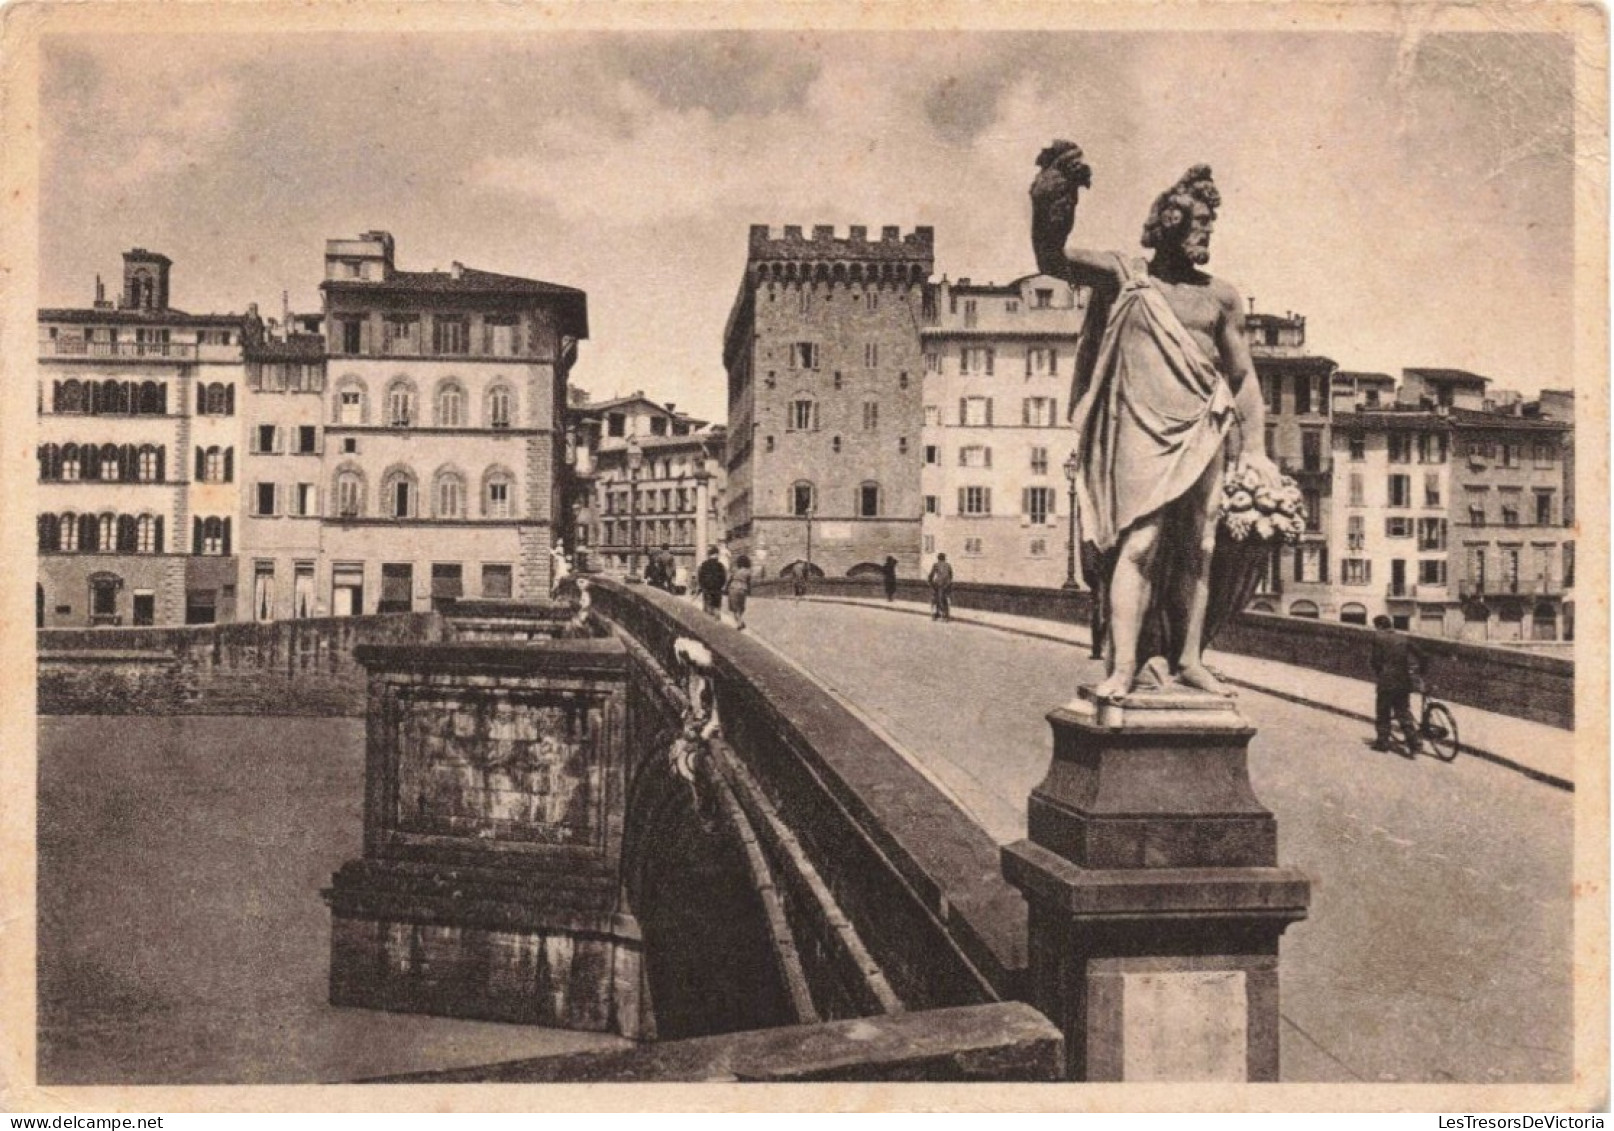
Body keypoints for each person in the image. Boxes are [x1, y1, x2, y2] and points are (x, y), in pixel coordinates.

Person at [1031, 142, 1281, 700]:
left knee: (1201, 546)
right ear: (1168, 224)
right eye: (1198, 227)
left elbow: (1241, 378)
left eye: (1210, 230)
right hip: (1139, 434)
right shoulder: (1124, 276)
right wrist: (1053, 193)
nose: (1206, 239)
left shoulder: (1221, 297)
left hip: (1201, 429)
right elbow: (1053, 258)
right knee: (1139, 544)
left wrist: (1256, 448)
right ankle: (1122, 669)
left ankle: (1190, 659)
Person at [1369, 615, 1426, 756]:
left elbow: (1375, 661)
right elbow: (1423, 655)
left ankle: (1382, 743)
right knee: (1403, 713)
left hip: (1386, 682)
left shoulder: (1378, 638)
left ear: (1379, 627)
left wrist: (1380, 673)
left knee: (1383, 713)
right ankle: (1414, 744)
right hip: (1403, 682)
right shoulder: (1403, 638)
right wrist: (1421, 672)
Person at [696, 545, 728, 619]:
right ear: (717, 554)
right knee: (716, 609)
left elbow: (700, 577)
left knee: (707, 609)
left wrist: (702, 586)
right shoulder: (720, 565)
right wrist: (721, 587)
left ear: (710, 554)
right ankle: (716, 625)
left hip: (706, 590)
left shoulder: (703, 565)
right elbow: (724, 578)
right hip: (717, 590)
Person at [727, 554, 753, 631]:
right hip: (743, 589)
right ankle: (740, 620)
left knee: (735, 608)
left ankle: (739, 622)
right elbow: (749, 583)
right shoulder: (748, 572)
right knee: (741, 607)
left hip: (733, 588)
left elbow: (729, 580)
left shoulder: (735, 570)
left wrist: (725, 588)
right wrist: (749, 591)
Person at [928, 553, 954, 622]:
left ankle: (939, 615)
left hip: (939, 584)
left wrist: (930, 582)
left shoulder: (936, 565)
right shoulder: (948, 565)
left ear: (938, 558)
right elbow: (951, 575)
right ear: (944, 558)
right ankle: (946, 615)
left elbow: (931, 574)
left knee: (937, 599)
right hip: (947, 585)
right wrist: (948, 582)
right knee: (945, 599)